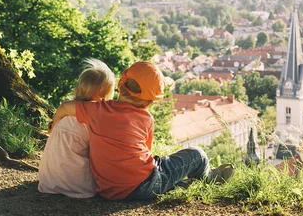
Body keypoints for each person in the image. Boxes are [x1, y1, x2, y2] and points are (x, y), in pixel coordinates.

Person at [50, 61, 233, 200]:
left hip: (109, 190)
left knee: (162, 167)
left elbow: (66, 107)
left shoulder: (97, 110)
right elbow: (147, 156)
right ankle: (209, 178)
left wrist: (54, 124)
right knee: (197, 155)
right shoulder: (146, 119)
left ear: (120, 85)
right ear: (149, 102)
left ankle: (181, 184)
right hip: (144, 185)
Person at [38, 59, 116, 198]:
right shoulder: (94, 120)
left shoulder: (65, 114)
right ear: (102, 97)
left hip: (48, 180)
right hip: (78, 185)